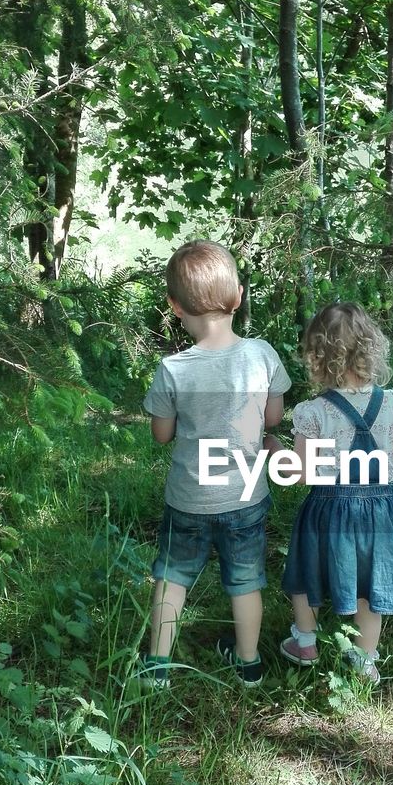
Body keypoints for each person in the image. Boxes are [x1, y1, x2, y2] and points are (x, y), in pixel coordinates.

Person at [140, 240, 291, 688]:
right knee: (246, 579)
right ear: (239, 295)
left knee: (171, 577)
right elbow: (274, 418)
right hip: (245, 494)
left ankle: (157, 666)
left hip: (188, 498)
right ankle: (248, 664)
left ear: (174, 306)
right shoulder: (262, 354)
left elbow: (162, 435)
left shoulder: (173, 368)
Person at [280, 302, 393, 683]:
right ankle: (365, 660)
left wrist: (274, 454)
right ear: (370, 349)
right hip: (382, 508)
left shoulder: (314, 411)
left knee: (306, 570)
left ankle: (306, 641)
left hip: (328, 508)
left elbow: (301, 474)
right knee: (371, 581)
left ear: (318, 357)